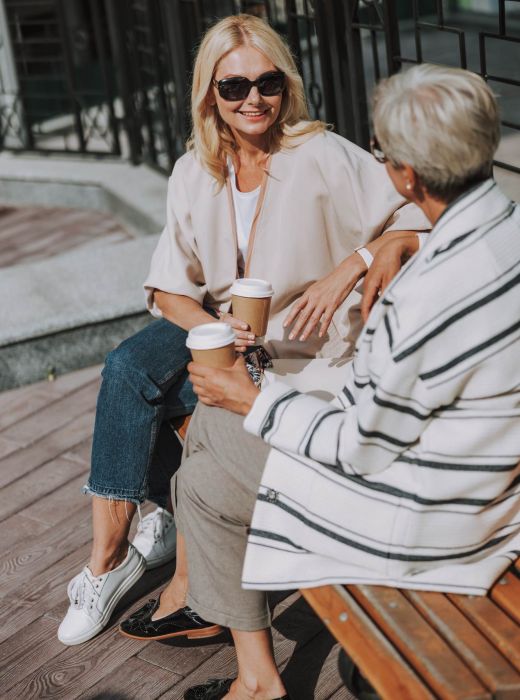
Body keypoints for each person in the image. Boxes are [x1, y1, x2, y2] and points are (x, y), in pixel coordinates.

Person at [57, 14, 427, 646]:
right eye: (234, 87)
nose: (252, 98)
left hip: (301, 349)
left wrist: (354, 264)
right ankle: (110, 556)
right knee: (128, 369)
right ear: (210, 95)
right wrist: (216, 328)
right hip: (228, 336)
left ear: (285, 86)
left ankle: (177, 550)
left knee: (176, 405)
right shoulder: (193, 170)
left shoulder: (319, 153)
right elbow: (170, 289)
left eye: (267, 82)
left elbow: (420, 213)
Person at [170, 63, 520, 700]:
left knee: (214, 436)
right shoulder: (507, 234)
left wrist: (257, 398)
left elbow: (361, 446)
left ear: (406, 175)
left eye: (384, 155)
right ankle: (254, 677)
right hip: (490, 488)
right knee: (208, 462)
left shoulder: (428, 293)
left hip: (439, 523)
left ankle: (256, 678)